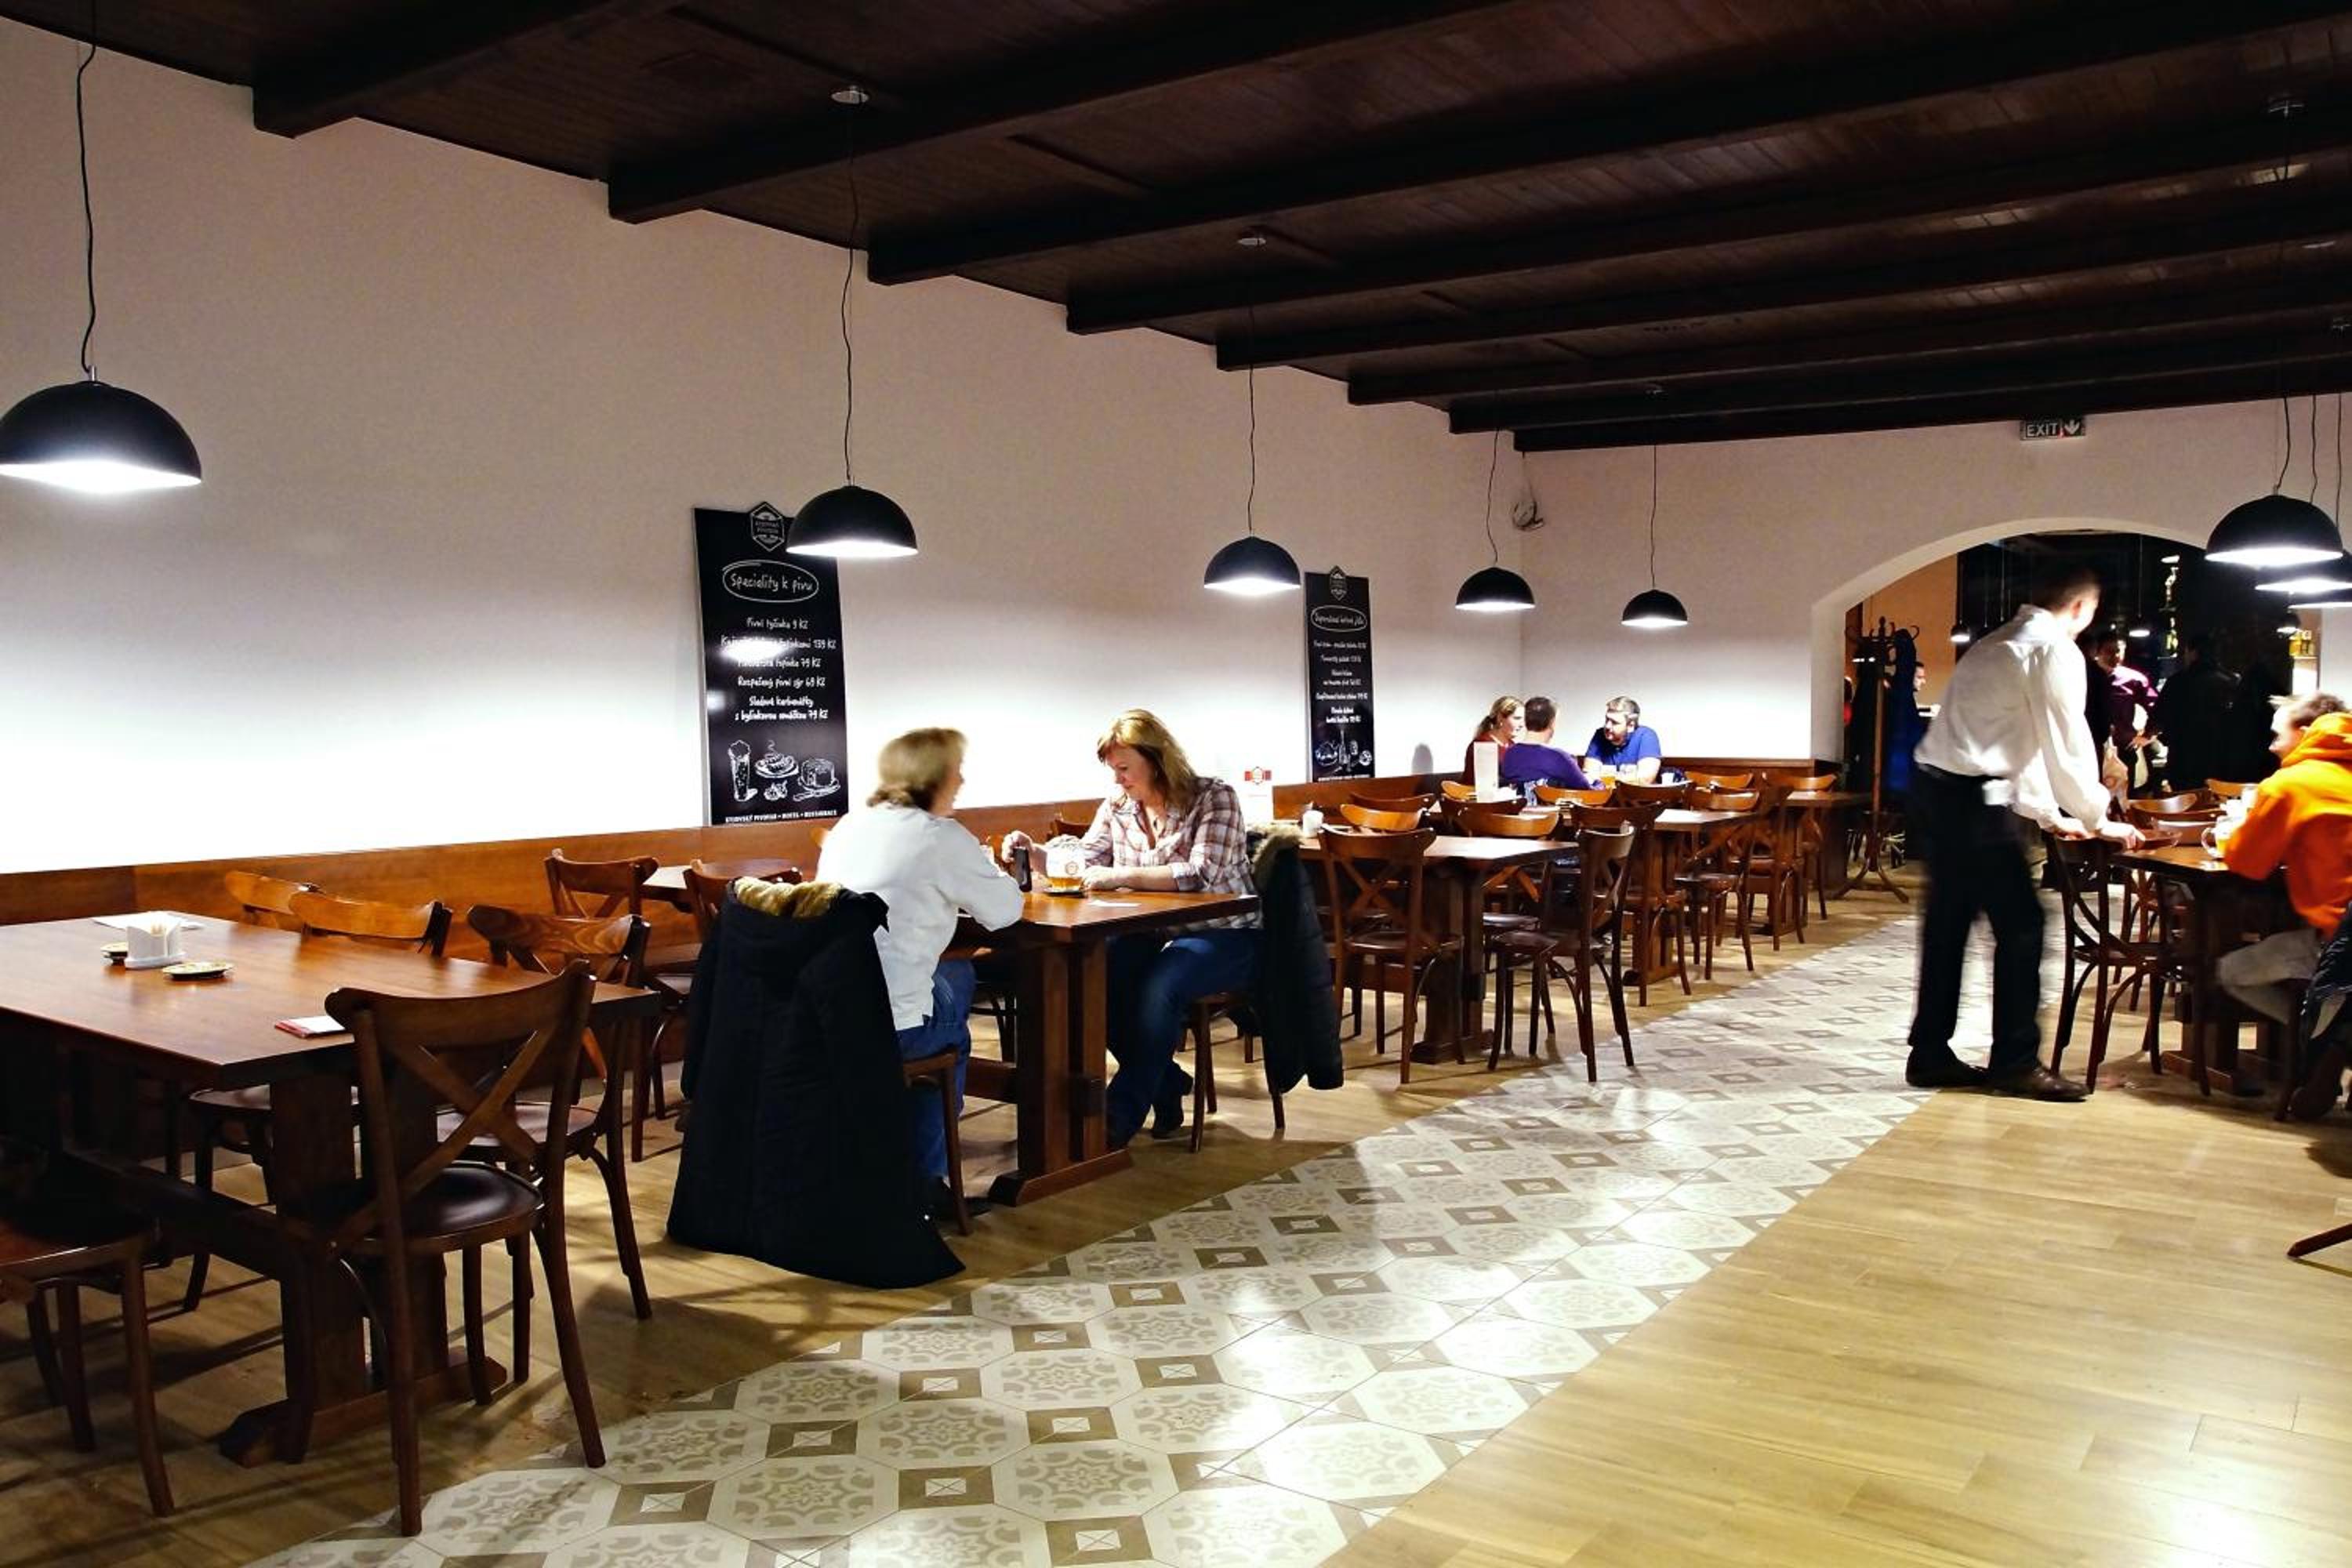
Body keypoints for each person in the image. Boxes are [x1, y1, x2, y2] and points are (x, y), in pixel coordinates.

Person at [1907, 564, 2140, 1101]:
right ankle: (2014, 1062)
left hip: (1939, 792)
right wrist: (2096, 816)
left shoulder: (1996, 643)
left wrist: (2048, 814)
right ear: (2081, 607)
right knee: (2023, 925)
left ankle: (1930, 1054)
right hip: (1974, 801)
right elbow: (2063, 742)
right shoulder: (2051, 649)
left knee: (1948, 926)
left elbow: (2017, 743)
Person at [1004, 710, 1258, 1148]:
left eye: (1124, 768)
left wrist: (1120, 875)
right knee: (1091, 984)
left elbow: (1201, 873)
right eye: (1113, 770)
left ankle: (1117, 1118)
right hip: (1153, 932)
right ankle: (1165, 1081)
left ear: (1157, 760)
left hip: (1227, 932)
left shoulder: (1214, 797)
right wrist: (1035, 853)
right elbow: (1085, 860)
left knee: (1161, 985)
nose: (1118, 779)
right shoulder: (1118, 807)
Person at [815, 728, 1025, 1210]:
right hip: (893, 1022)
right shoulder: (939, 836)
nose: (962, 781)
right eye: (956, 770)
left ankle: (890, 1157)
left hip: (830, 1008)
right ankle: (927, 1181)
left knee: (954, 979)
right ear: (934, 777)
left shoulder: (849, 826)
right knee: (951, 1030)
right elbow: (1004, 911)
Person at [2217, 695, 2352, 1081]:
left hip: (2338, 947)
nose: (2272, 746)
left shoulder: (2290, 784)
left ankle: (2328, 1039)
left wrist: (2226, 836)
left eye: (2278, 735)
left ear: (2305, 733)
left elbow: (2247, 863)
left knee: (2231, 970)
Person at [2151, 633, 2238, 793]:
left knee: (2186, 800)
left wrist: (2149, 734)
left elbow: (2158, 716)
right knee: (2217, 800)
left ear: (2193, 653)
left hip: (2184, 758)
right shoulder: (2231, 681)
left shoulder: (2177, 682)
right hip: (2220, 757)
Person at [2085, 630, 2156, 792]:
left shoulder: (2134, 679)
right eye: (2109, 651)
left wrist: (2147, 735)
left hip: (2123, 747)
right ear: (2097, 652)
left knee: (2125, 797)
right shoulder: (2084, 677)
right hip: (2091, 747)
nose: (2115, 656)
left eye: (2118, 651)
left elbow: (2155, 707)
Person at [1498, 695, 1592, 792]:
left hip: (1519, 802)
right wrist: (1596, 781)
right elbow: (1587, 790)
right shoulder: (1559, 757)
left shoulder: (1510, 754)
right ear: (1551, 723)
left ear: (1525, 721)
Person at [1581, 696, 1663, 782]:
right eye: (1607, 720)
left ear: (1630, 725)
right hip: (1605, 791)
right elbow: (1589, 777)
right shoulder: (1600, 735)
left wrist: (1604, 778)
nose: (1607, 726)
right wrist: (1629, 777)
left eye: (1614, 722)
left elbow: (1645, 779)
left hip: (1633, 792)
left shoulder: (1646, 736)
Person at [1465, 695, 1523, 779]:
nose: (1522, 725)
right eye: (1517, 718)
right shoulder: (1484, 745)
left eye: (1523, 720)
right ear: (1500, 718)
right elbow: (1487, 784)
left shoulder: (1512, 745)